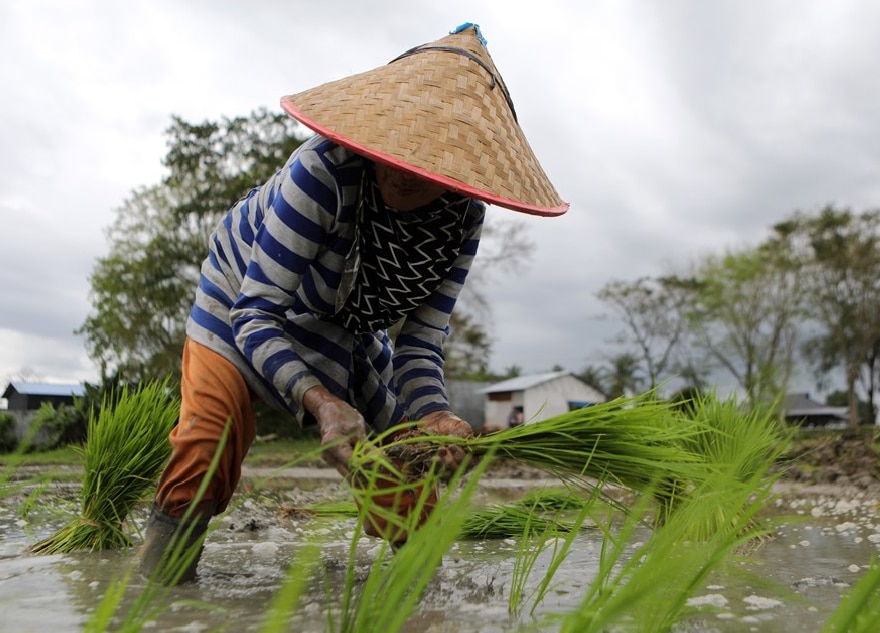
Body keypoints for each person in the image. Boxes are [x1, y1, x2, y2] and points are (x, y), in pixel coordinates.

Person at [139, 22, 567, 584]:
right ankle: (156, 595)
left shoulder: (462, 221)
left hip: (345, 329)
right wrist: (321, 403)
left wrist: (433, 414)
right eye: (394, 147)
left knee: (405, 487)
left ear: (461, 174)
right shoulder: (322, 173)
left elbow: (419, 342)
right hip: (240, 299)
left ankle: (422, 604)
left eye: (425, 161)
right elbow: (256, 314)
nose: (398, 169)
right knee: (207, 444)